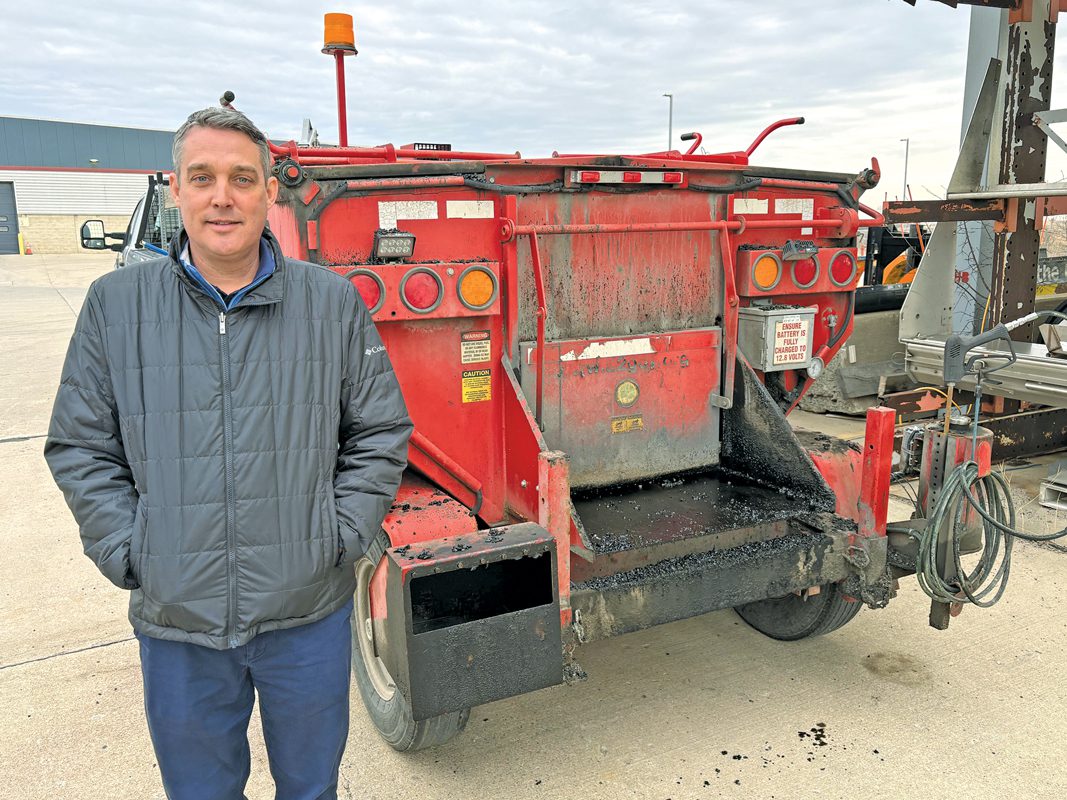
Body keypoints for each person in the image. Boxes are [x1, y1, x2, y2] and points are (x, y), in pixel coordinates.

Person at [44, 107, 412, 800]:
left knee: (310, 791)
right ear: (176, 189)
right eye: (203, 177)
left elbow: (379, 433)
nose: (223, 196)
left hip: (305, 614)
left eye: (243, 178)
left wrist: (336, 539)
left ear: (270, 193)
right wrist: (134, 552)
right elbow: (81, 445)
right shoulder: (115, 306)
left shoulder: (330, 304)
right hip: (178, 621)